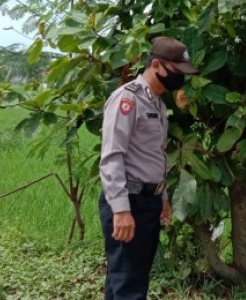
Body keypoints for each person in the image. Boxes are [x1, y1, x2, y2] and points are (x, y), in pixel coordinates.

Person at [99, 36, 199, 299]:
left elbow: (153, 157)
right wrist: (121, 211)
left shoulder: (157, 103)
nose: (180, 79)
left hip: (148, 200)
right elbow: (112, 157)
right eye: (177, 72)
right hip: (128, 200)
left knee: (130, 278)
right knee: (128, 284)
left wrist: (162, 196)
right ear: (157, 65)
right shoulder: (127, 100)